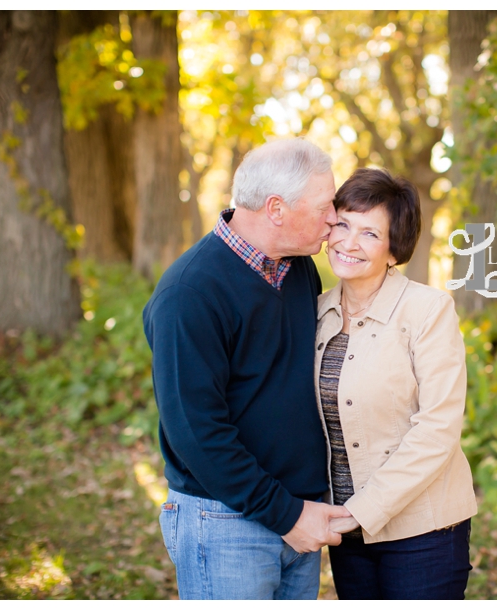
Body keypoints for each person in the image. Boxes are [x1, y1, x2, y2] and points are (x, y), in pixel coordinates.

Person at [142, 138, 351, 600]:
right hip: (227, 523)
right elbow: (196, 433)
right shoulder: (189, 293)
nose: (334, 218)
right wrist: (286, 516)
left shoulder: (298, 269)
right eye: (324, 207)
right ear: (276, 208)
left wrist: (301, 512)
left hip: (300, 514)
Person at [315, 168, 478, 599]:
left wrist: (361, 510)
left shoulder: (427, 311)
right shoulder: (311, 312)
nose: (348, 242)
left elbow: (437, 430)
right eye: (344, 224)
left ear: (393, 250)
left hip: (423, 531)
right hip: (346, 533)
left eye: (370, 234)